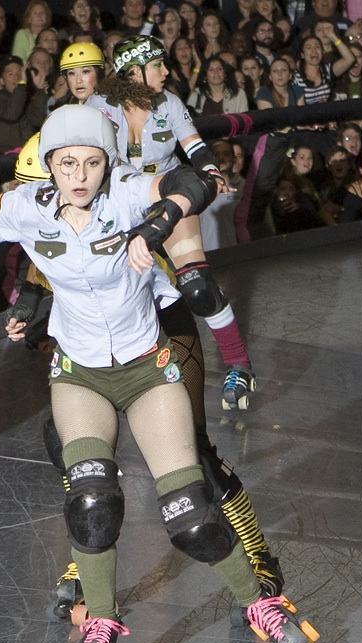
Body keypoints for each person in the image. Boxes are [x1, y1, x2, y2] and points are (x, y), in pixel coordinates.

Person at [0, 104, 313, 643]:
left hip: (147, 370)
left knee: (189, 516)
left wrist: (159, 222)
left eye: (92, 163)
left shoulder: (129, 194)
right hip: (79, 375)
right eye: (68, 164)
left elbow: (194, 180)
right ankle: (104, 617)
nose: (81, 175)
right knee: (92, 503)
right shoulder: (25, 207)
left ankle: (256, 601)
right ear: (50, 167)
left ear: (107, 163)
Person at [8, 134, 287, 620]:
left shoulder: (123, 190)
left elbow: (192, 251)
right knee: (73, 450)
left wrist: (236, 357)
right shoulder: (54, 201)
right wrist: (29, 299)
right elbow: (46, 250)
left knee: (192, 455)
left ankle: (256, 551)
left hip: (160, 323)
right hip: (96, 346)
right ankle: (89, 548)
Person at [87, 36, 258, 409]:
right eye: (158, 65)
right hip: (120, 203)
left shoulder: (169, 103)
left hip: (169, 197)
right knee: (115, 293)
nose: (167, 71)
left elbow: (194, 146)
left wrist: (211, 172)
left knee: (197, 285)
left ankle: (239, 364)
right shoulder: (99, 107)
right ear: (134, 71)